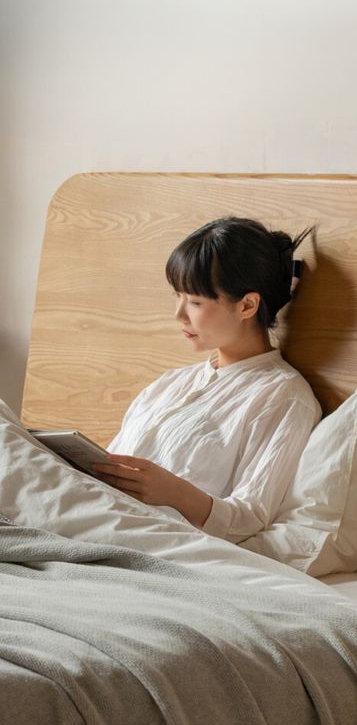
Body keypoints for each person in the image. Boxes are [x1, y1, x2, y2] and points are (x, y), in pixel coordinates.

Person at [92, 217, 321, 545]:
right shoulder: (169, 384)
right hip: (94, 520)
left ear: (246, 305)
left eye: (195, 302)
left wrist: (174, 493)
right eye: (178, 296)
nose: (179, 314)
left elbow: (250, 516)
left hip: (147, 542)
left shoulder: (284, 398)